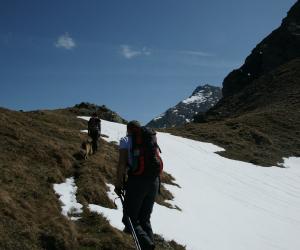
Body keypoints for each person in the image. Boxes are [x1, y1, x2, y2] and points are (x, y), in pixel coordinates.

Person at [115, 120, 162, 250]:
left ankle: (147, 246)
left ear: (128, 129)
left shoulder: (125, 140)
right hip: (154, 181)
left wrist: (118, 184)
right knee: (145, 219)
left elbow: (122, 165)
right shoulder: (150, 139)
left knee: (129, 219)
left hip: (137, 181)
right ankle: (149, 245)